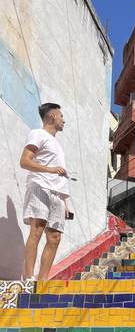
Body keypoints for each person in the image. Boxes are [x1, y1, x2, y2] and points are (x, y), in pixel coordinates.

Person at [20, 102, 71, 281]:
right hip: (40, 186)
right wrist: (49, 169)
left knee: (55, 237)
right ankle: (28, 278)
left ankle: (42, 282)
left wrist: (66, 202)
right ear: (52, 116)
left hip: (57, 194)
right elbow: (25, 161)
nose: (64, 120)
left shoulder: (57, 144)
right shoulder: (38, 134)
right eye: (61, 116)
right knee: (37, 230)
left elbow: (60, 174)